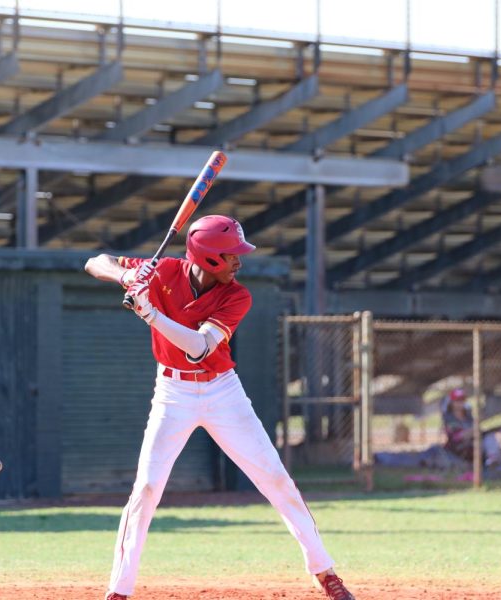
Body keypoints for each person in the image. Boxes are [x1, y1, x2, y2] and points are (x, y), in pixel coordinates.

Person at [84, 215, 355, 600]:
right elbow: (95, 261)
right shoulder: (163, 271)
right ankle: (119, 590)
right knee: (145, 488)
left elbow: (199, 348)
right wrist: (125, 277)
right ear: (209, 258)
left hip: (221, 392)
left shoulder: (236, 295)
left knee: (277, 480)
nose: (239, 262)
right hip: (171, 393)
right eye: (231, 256)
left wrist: (151, 315)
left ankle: (325, 572)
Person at [442, 388, 501, 466]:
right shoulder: (449, 418)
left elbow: (475, 431)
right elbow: (459, 437)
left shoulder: (468, 417)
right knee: (479, 440)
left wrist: (488, 429)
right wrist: (475, 430)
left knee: (489, 437)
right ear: (451, 403)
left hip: (472, 444)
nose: (460, 403)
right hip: (457, 448)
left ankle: (492, 460)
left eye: (462, 400)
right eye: (457, 400)